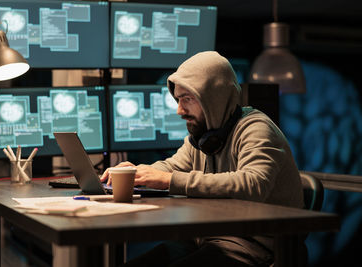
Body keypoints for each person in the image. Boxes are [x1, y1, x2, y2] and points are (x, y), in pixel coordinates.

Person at [101, 51, 304, 266]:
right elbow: (171, 166)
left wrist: (169, 181)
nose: (180, 110)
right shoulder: (204, 136)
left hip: (254, 244)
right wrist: (138, 172)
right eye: (178, 100)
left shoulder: (256, 128)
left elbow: (253, 184)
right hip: (209, 237)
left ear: (213, 98)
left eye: (187, 99)